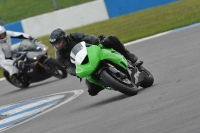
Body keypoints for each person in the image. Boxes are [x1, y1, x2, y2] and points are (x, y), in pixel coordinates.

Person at [49, 28, 138, 96]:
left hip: (93, 53)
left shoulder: (74, 36)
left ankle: (129, 56)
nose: (58, 46)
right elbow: (68, 67)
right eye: (55, 45)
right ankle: (110, 82)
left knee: (111, 39)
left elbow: (87, 38)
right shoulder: (59, 56)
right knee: (91, 91)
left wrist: (96, 42)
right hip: (86, 66)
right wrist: (77, 72)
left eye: (59, 43)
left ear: (65, 38)